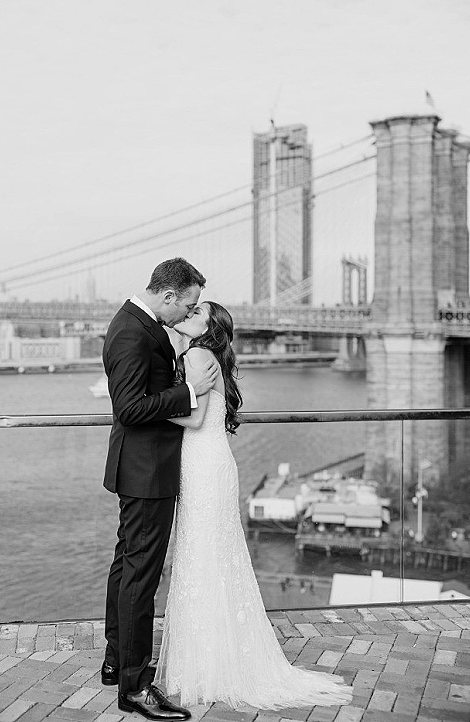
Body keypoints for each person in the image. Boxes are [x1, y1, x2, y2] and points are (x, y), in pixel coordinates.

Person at [154, 301, 353, 710]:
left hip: (201, 465)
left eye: (196, 313)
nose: (187, 315)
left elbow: (193, 419)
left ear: (209, 328)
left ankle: (204, 666)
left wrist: (149, 408)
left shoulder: (196, 356)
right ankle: (217, 660)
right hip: (215, 464)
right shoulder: (211, 357)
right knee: (216, 557)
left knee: (200, 556)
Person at [102, 258, 219, 721]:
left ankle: (117, 661)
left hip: (139, 468)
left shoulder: (138, 323)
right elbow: (130, 408)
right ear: (168, 296)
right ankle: (134, 687)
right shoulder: (133, 331)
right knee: (141, 578)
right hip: (146, 471)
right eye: (187, 305)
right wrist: (190, 391)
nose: (188, 312)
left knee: (126, 567)